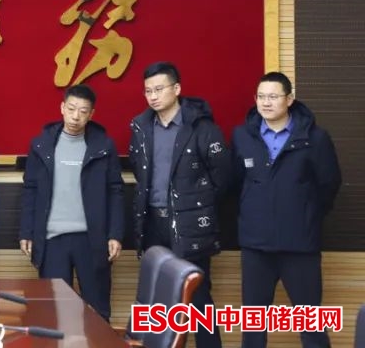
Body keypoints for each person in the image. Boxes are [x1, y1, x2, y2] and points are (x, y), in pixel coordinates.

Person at [232, 72, 341, 348]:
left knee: (311, 326)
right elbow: (235, 183)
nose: (266, 103)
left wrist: (306, 214)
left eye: (273, 96)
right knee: (253, 327)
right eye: (261, 96)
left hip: (300, 245)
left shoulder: (315, 138)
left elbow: (329, 184)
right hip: (256, 246)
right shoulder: (243, 136)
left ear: (289, 99)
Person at [129, 61, 232, 348]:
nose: (153, 96)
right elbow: (138, 169)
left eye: (159, 89)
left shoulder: (201, 127)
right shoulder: (141, 127)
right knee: (159, 298)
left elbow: (223, 177)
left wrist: (195, 208)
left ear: (176, 89)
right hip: (153, 223)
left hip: (190, 224)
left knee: (197, 297)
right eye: (148, 91)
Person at [18, 84, 123, 320]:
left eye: (83, 111)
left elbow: (115, 191)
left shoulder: (103, 146)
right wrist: (26, 231)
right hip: (52, 239)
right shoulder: (42, 145)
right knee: (53, 311)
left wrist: (115, 234)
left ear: (91, 114)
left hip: (92, 239)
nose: (76, 116)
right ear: (62, 108)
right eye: (72, 109)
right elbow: (30, 190)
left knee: (97, 311)